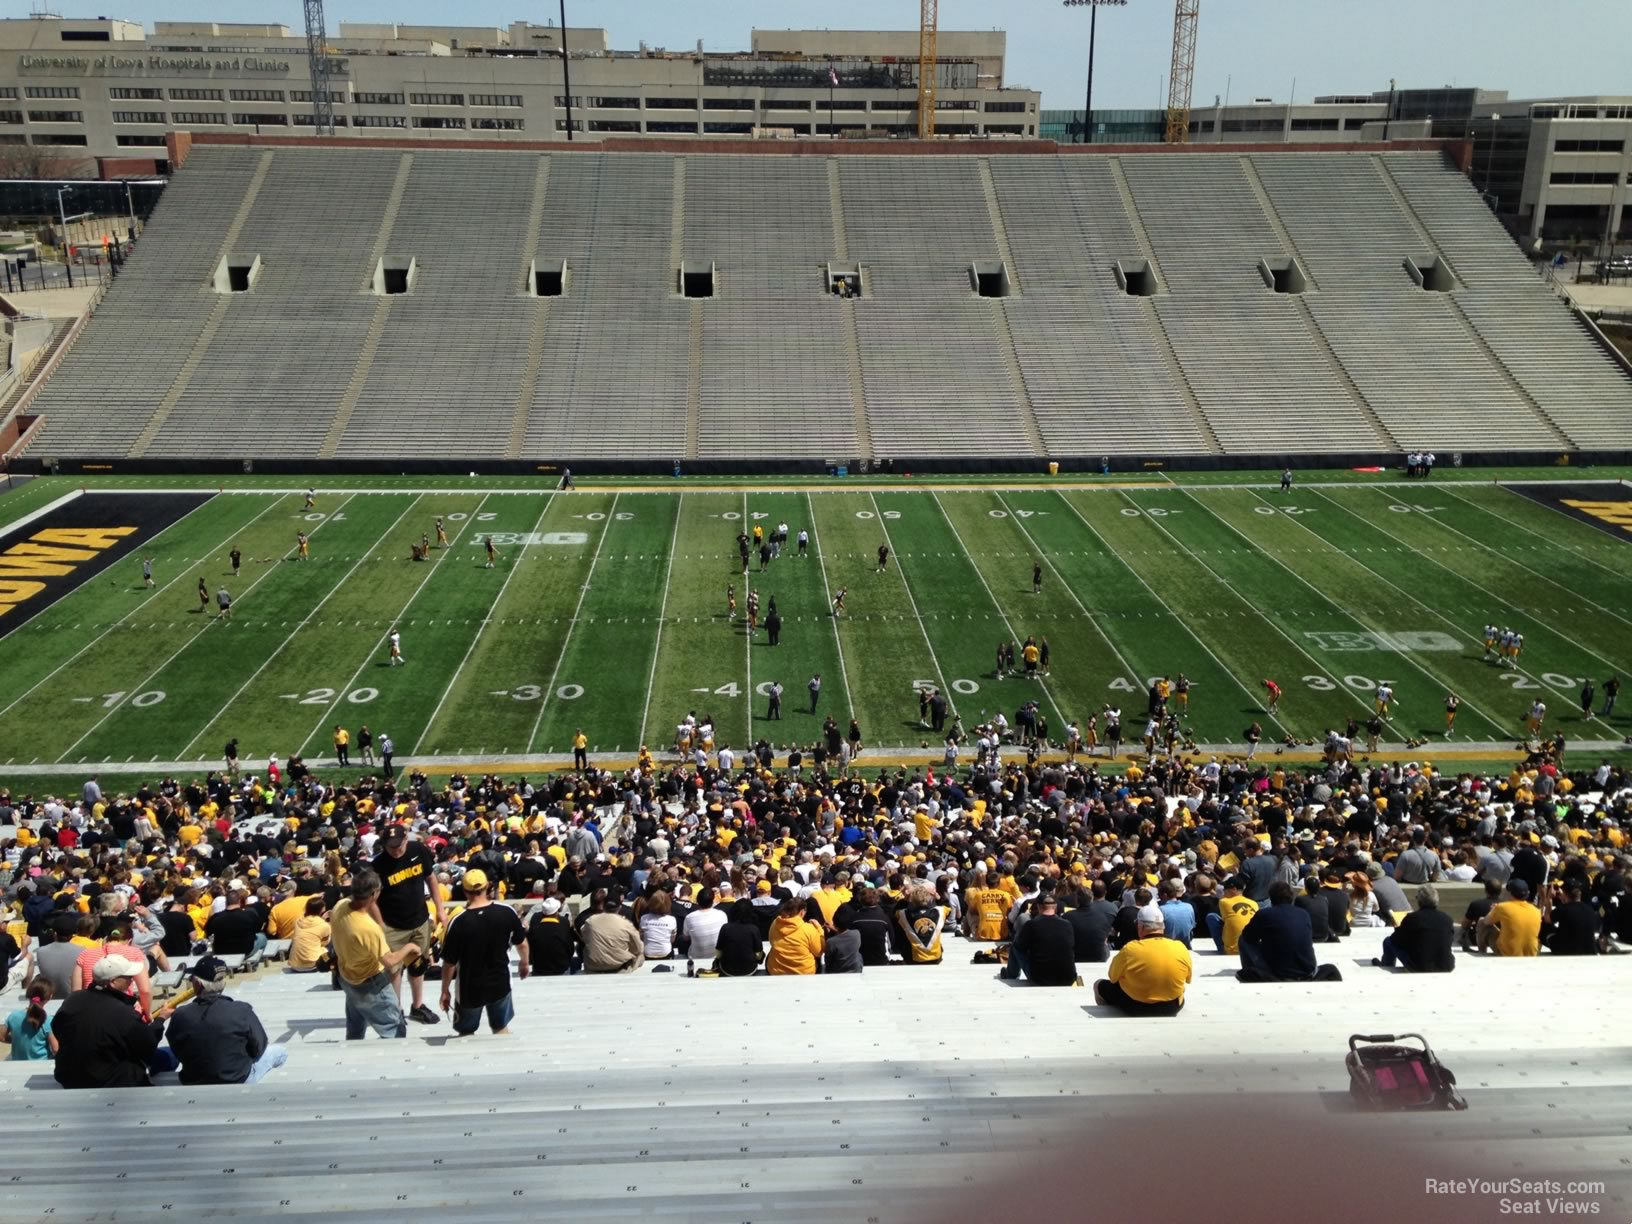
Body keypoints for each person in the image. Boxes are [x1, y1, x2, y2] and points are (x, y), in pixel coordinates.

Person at [52, 955, 176, 1088]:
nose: (132, 979)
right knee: (171, 1054)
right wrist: (160, 1019)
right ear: (113, 982)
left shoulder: (72, 1000)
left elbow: (57, 1028)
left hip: (69, 1075)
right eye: (128, 977)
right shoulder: (123, 1013)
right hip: (110, 1080)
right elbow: (148, 1044)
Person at [165, 956, 287, 1084]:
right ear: (223, 983)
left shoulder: (181, 1014)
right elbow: (259, 1047)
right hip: (238, 1078)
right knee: (280, 1052)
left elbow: (177, 1050)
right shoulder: (241, 1010)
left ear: (197, 984)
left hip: (193, 1080)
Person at [330, 869, 420, 1040]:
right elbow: (390, 961)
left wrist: (380, 926)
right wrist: (410, 947)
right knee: (395, 1029)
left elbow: (365, 906)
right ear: (374, 894)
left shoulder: (340, 906)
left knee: (355, 1027)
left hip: (347, 977)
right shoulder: (368, 929)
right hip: (370, 983)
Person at [372, 824, 445, 1024]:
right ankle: (396, 1009)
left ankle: (418, 1005)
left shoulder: (417, 850)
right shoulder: (378, 865)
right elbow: (372, 899)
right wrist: (380, 926)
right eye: (391, 847)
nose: (396, 851)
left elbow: (431, 878)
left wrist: (440, 908)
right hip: (392, 924)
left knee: (418, 964)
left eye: (399, 846)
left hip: (419, 919)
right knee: (394, 968)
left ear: (406, 840)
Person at [439, 869, 527, 1035]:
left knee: (466, 1033)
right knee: (500, 1028)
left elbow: (449, 963)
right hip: (501, 982)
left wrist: (445, 990)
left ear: (465, 891)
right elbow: (521, 944)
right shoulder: (507, 912)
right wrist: (524, 963)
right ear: (488, 887)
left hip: (469, 988)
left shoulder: (458, 921)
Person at [1093, 906, 1192, 1016]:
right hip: (1171, 1007)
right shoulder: (1180, 947)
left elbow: (1113, 977)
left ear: (1141, 927)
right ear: (1163, 926)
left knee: (1098, 985)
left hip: (1136, 1007)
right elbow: (1188, 979)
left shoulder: (1130, 949)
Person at [1236, 883, 1326, 982]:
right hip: (1306, 971)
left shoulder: (1264, 914)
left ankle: (1251, 970)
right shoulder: (1304, 914)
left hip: (1277, 972)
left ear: (1271, 898)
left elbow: (1248, 937)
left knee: (1243, 939)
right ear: (1292, 897)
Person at [1375, 886, 1455, 972]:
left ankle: (1387, 965)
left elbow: (1396, 939)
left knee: (1388, 941)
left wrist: (1398, 929)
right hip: (1446, 966)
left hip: (1419, 967)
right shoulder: (1447, 919)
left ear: (1419, 901)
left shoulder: (1413, 918)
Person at [1013, 895, 1078, 986]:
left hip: (1040, 979)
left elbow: (1020, 947)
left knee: (1015, 946)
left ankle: (1011, 975)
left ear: (1039, 907)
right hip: (1068, 978)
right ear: (1055, 908)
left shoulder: (1031, 924)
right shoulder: (1067, 925)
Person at [581, 892, 644, 974]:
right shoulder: (626, 924)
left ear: (603, 906)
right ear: (619, 907)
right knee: (640, 954)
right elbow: (638, 948)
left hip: (593, 967)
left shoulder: (590, 921)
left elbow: (584, 937)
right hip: (619, 967)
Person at [1478, 879, 1541, 957]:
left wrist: (1494, 911)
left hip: (1508, 953)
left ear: (1510, 893)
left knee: (1481, 922)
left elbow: (1486, 921)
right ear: (1527, 893)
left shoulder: (1502, 907)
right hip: (1531, 954)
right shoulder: (1536, 911)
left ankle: (1481, 954)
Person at [2, 977, 58, 1061]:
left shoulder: (13, 1016)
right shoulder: (47, 1020)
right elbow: (55, 1049)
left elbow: (1, 1036)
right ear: (50, 997)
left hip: (17, 1062)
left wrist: (15, 1040)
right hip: (41, 1063)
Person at [768, 897, 824, 975]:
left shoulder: (775, 923)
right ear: (801, 912)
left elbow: (771, 941)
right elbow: (819, 952)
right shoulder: (808, 928)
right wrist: (820, 930)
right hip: (804, 972)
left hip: (776, 970)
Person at [1544, 880, 1601, 956]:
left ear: (1564, 893)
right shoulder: (1590, 909)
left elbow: (1547, 919)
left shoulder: (1563, 909)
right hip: (1589, 950)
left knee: (1545, 927)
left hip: (1567, 951)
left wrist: (1549, 899)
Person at [527, 897, 577, 976]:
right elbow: (570, 947)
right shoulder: (563, 923)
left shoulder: (535, 924)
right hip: (561, 968)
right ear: (556, 911)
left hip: (539, 967)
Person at [286, 896, 331, 973]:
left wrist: (322, 919)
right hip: (312, 964)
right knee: (330, 951)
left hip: (295, 964)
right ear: (322, 909)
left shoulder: (298, 921)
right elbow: (324, 943)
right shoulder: (324, 925)